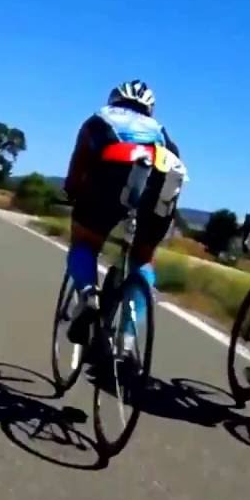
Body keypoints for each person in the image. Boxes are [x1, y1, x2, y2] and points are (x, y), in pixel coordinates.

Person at [61, 80, 184, 350]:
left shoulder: (99, 118)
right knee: (142, 259)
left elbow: (78, 166)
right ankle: (127, 338)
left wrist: (72, 191)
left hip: (111, 177)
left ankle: (88, 294)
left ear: (114, 99)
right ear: (149, 109)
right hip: (160, 183)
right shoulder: (161, 131)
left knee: (84, 244)